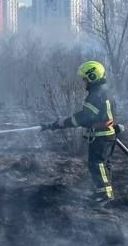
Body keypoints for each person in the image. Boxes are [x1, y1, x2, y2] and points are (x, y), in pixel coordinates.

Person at [43, 60, 121, 204]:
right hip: (108, 135)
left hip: (101, 136)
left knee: (96, 164)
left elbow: (84, 118)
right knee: (104, 164)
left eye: (85, 79)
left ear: (92, 77)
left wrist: (62, 123)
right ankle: (104, 192)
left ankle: (105, 195)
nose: (84, 82)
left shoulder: (95, 96)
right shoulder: (105, 92)